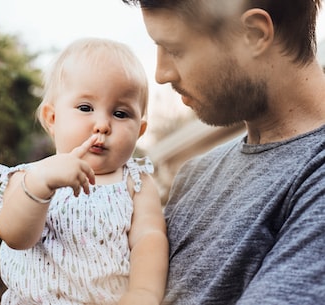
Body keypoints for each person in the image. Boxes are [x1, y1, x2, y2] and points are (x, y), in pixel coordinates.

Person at [121, 0, 325, 304]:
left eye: (175, 49)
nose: (161, 74)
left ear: (254, 35)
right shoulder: (195, 174)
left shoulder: (315, 172)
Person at [0, 37, 168, 305]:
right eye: (85, 108)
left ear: (140, 131)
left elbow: (149, 239)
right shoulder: (29, 176)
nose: (102, 125)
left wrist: (142, 293)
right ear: (52, 118)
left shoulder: (136, 183)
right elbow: (15, 236)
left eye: (120, 114)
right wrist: (41, 184)